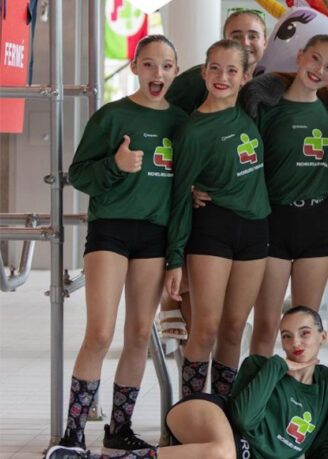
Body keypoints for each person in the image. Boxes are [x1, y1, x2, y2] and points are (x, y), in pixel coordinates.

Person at [56, 35, 186, 454]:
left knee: (137, 335)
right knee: (99, 331)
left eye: (166, 66)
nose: (158, 74)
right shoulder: (112, 117)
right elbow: (79, 174)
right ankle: (74, 434)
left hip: (155, 234)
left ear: (176, 71)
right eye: (149, 65)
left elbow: (187, 182)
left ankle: (119, 429)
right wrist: (115, 165)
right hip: (111, 228)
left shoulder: (182, 122)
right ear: (134, 67)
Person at [45, 307, 328, 459]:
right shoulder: (262, 365)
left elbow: (318, 439)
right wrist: (279, 366)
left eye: (305, 333)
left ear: (323, 336)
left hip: (234, 450)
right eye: (287, 335)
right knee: (223, 452)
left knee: (222, 454)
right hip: (209, 414)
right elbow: (242, 417)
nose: (296, 343)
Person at [163, 39, 270, 399]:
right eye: (215, 68)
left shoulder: (249, 108)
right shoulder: (193, 131)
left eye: (231, 70)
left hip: (256, 228)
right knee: (205, 328)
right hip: (213, 228)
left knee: (234, 327)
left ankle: (222, 414)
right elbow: (178, 197)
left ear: (245, 77)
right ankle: (190, 414)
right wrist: (175, 258)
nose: (222, 76)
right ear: (204, 72)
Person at [244, 35, 328, 358]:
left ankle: (300, 402)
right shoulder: (268, 109)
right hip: (275, 220)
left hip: (316, 221)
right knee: (266, 324)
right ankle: (258, 402)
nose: (319, 70)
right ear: (300, 56)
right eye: (315, 59)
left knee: (305, 328)